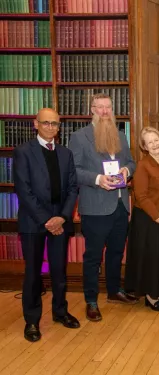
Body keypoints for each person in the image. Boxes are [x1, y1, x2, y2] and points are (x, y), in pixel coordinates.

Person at [69, 93, 137, 322]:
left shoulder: (120, 136)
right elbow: (74, 170)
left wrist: (127, 171)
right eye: (100, 108)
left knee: (117, 253)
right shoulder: (79, 137)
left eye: (108, 107)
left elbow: (130, 161)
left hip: (120, 205)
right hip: (96, 207)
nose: (105, 112)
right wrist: (98, 178)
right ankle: (91, 300)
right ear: (92, 110)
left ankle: (114, 290)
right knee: (93, 257)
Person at [13, 108, 80, 342]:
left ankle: (60, 312)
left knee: (59, 272)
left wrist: (61, 217)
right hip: (34, 221)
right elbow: (23, 190)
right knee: (33, 273)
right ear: (36, 124)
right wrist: (46, 220)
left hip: (60, 221)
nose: (51, 127)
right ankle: (31, 320)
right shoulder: (23, 151)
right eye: (46, 123)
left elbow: (73, 188)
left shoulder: (65, 153)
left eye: (55, 124)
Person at [124, 127, 159, 311]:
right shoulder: (142, 165)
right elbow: (141, 195)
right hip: (149, 219)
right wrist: (157, 217)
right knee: (151, 259)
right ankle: (151, 296)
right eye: (150, 142)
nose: (154, 144)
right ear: (145, 147)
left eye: (156, 140)